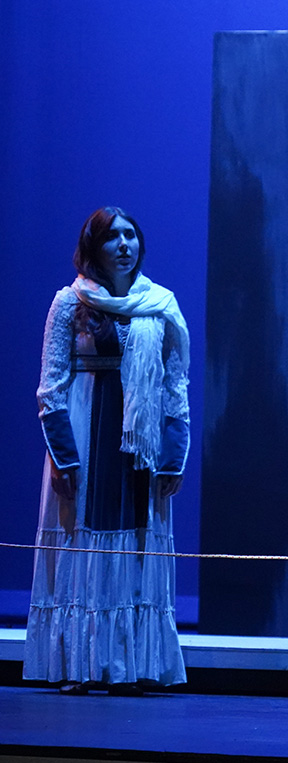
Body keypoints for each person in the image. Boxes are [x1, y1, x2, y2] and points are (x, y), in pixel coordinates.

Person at [23, 206, 190, 695]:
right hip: (85, 439)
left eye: (131, 235)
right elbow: (51, 386)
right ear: (93, 248)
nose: (123, 244)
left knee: (137, 543)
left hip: (142, 446)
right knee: (82, 542)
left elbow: (175, 382)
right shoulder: (70, 302)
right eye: (112, 236)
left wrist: (175, 449)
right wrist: (63, 455)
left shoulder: (160, 304)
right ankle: (78, 663)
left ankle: (129, 666)